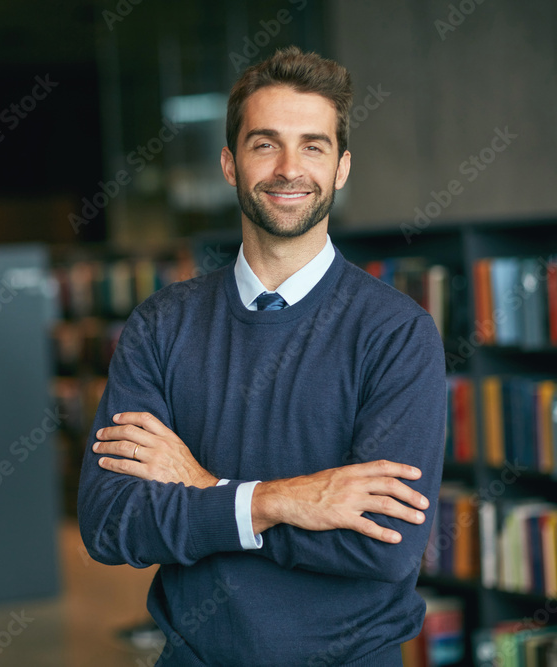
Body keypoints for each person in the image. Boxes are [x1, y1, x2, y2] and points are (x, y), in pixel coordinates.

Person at [77, 45, 447, 667]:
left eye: (314, 146)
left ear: (342, 167)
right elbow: (111, 522)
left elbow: (386, 548)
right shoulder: (161, 326)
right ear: (229, 163)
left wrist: (203, 488)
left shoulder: (396, 333)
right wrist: (277, 502)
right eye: (264, 143)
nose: (288, 168)